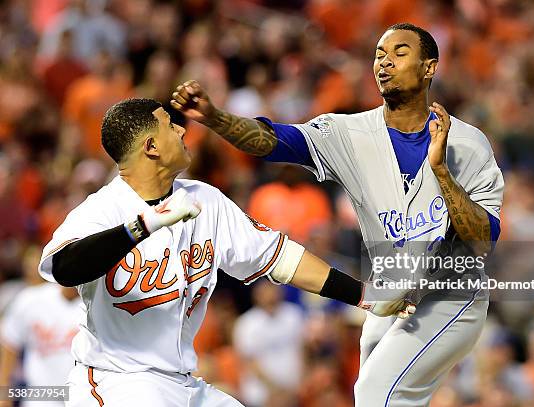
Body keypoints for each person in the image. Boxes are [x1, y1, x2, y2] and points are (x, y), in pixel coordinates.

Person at [171, 22, 504, 406]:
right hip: (390, 293)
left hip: (452, 291)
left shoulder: (466, 143)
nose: (385, 63)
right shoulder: (348, 133)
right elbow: (273, 141)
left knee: (377, 393)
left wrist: (442, 172)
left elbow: (482, 241)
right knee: (374, 396)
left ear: (429, 67)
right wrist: (215, 118)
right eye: (379, 55)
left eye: (399, 53)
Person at [37, 98, 412, 407]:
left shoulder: (205, 200)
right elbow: (65, 268)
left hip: (182, 382)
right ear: (150, 147)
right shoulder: (103, 210)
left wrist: (363, 296)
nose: (182, 130)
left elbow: (281, 259)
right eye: (170, 125)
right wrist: (144, 225)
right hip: (119, 383)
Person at [0, 284, 80, 407]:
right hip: (41, 396)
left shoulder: (96, 304)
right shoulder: (32, 299)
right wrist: (3, 397)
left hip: (82, 396)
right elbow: (10, 343)